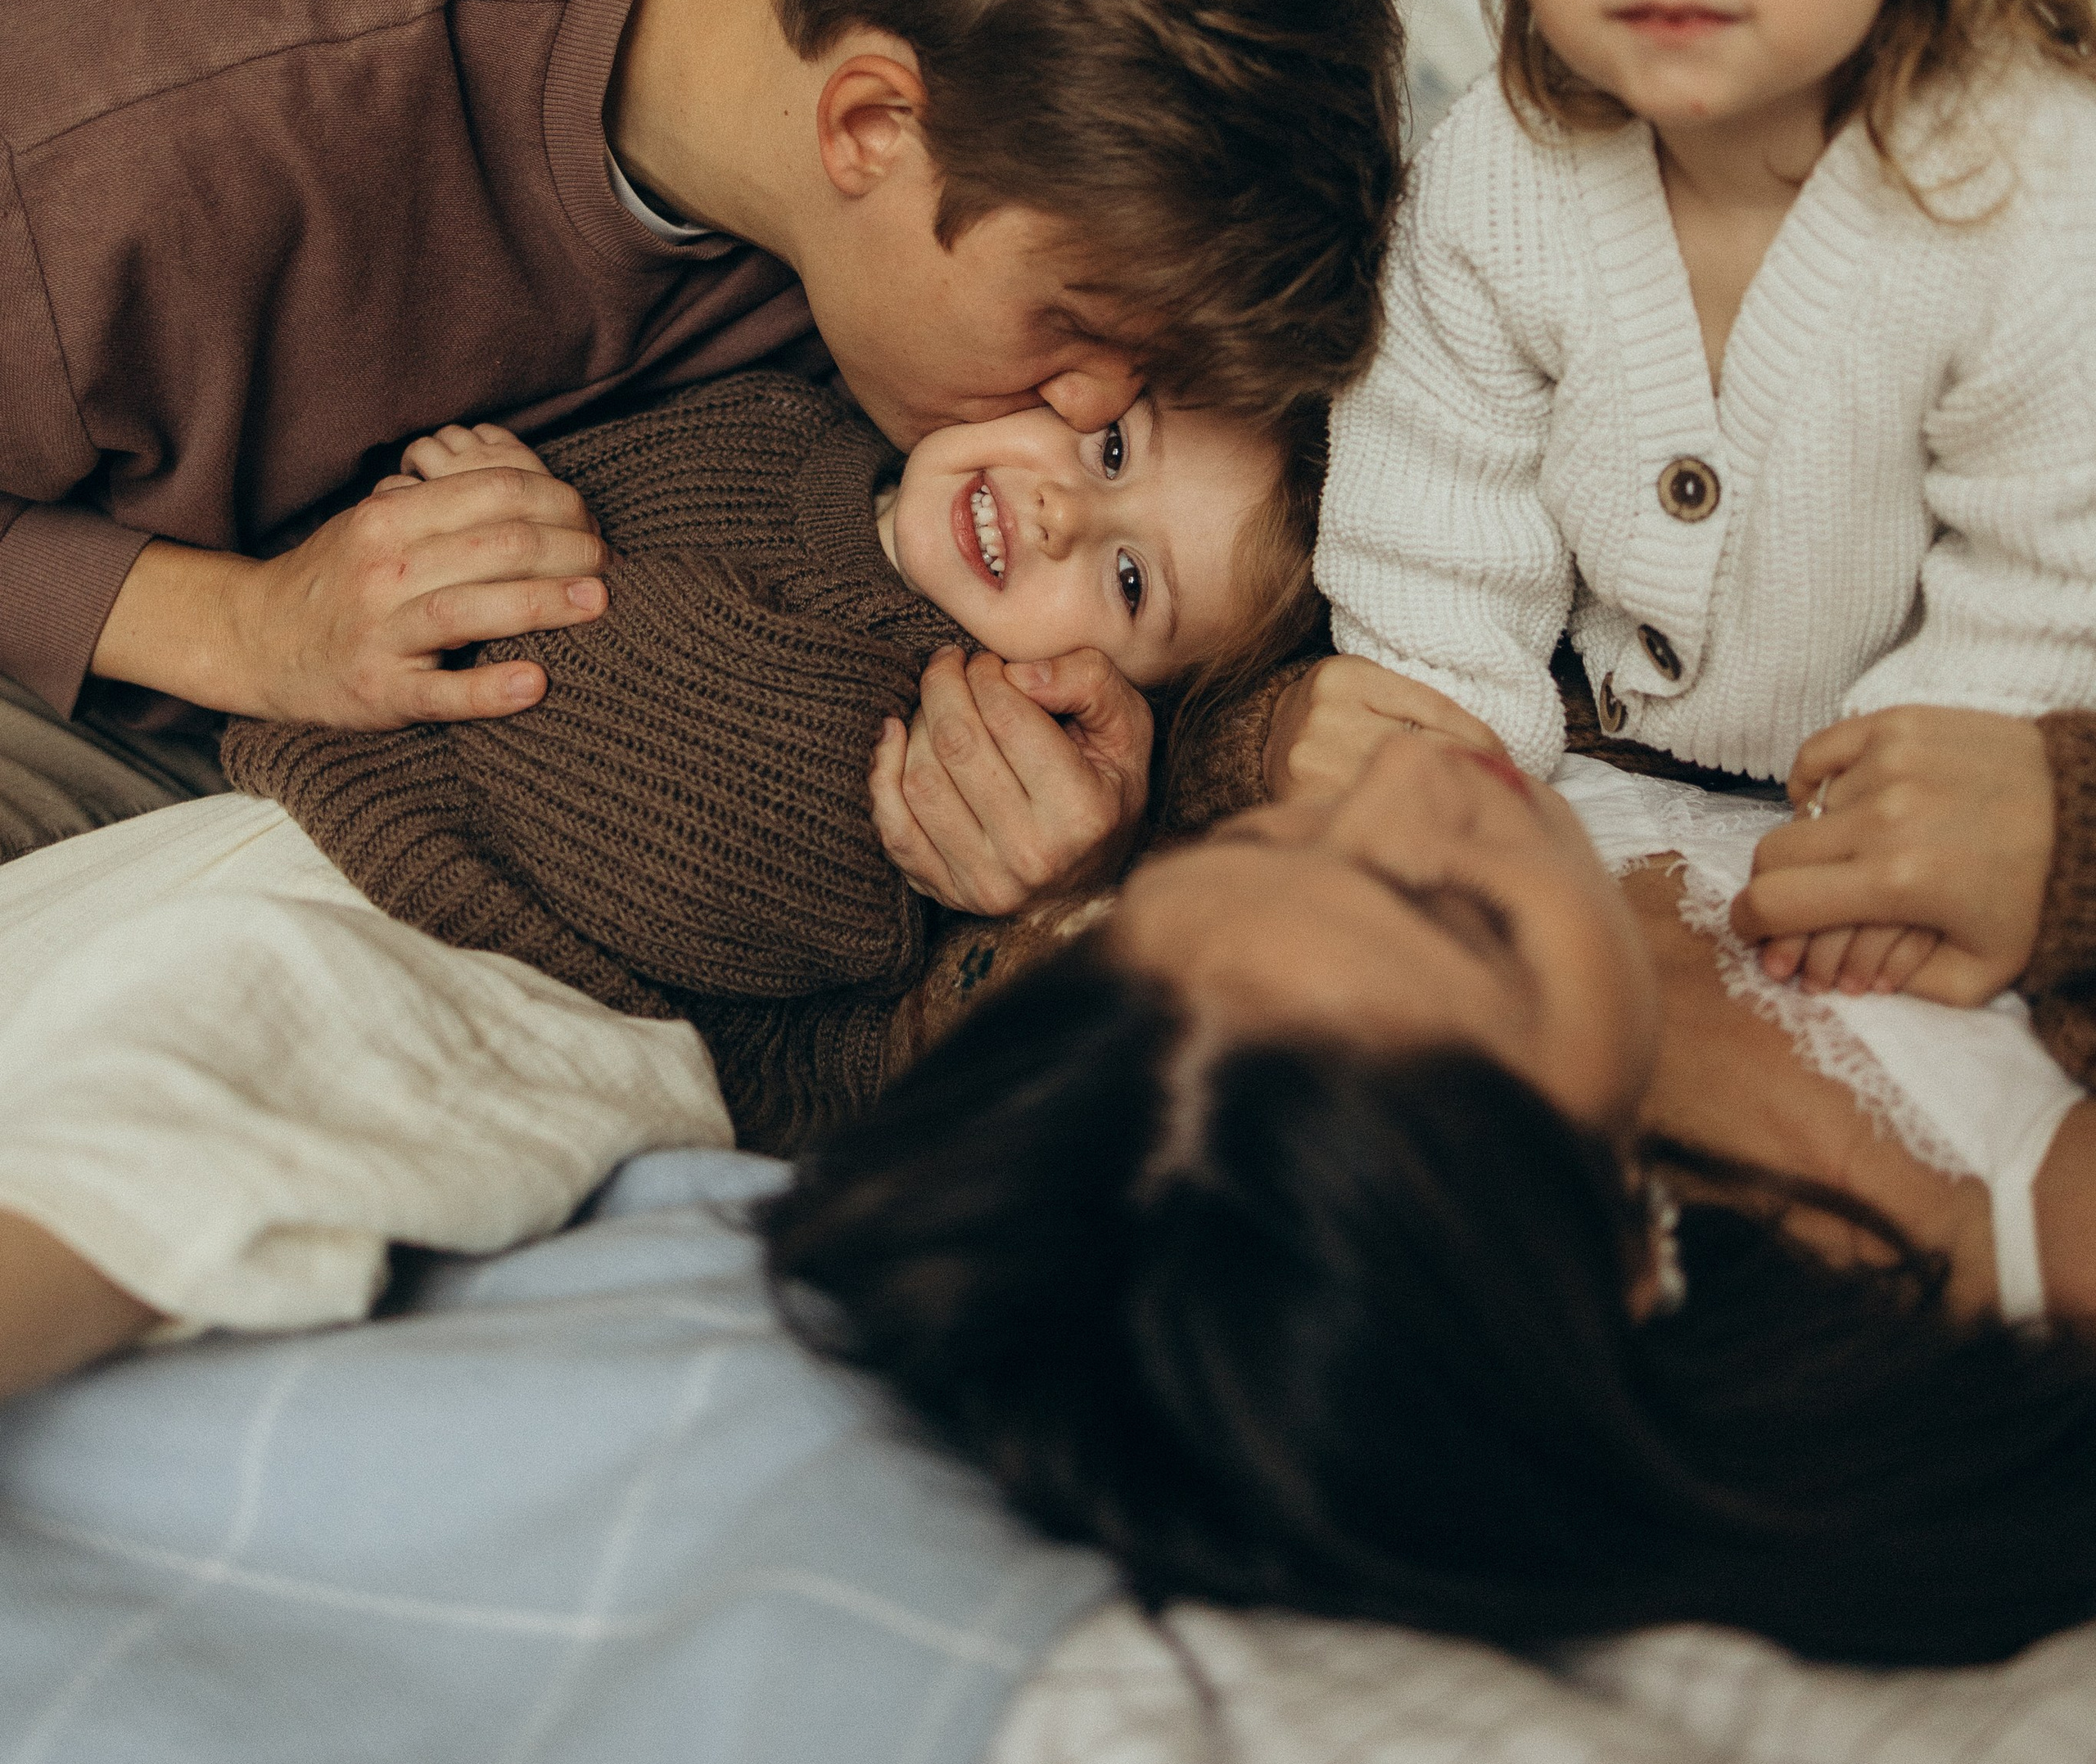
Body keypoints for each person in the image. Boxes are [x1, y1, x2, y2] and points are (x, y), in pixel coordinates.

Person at [0, 0, 1403, 909]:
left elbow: (1218, 553)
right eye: (1079, 328)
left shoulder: (1000, 17)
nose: (1095, 411)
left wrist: (1175, 786)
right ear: (868, 125)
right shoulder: (146, 133)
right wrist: (245, 628)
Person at [0, 371, 1324, 1402]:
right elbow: (455, 615)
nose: (1060, 514)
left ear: (1124, 693)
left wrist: (1018, 923)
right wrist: (491, 516)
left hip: (538, 1013)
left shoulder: (964, 770)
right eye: (1111, 453)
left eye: (1129, 576)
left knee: (211, 1080)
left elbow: (823, 1050)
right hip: (284, 828)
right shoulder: (770, 430)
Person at [760, 731, 2096, 1671]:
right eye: (1463, 916)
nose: (1402, 776)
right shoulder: (2010, 1240)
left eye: (1271, 839)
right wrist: (2068, 832)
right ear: (1609, 1248)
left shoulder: (1217, 1061)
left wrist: (1223, 753)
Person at [1300, 0, 2096, 1004]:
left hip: (1905, 779)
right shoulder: (1503, 174)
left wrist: (1900, 821)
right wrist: (1451, 777)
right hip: (1596, 757)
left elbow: (2053, 567)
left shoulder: (2027, 189)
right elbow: (1434, 509)